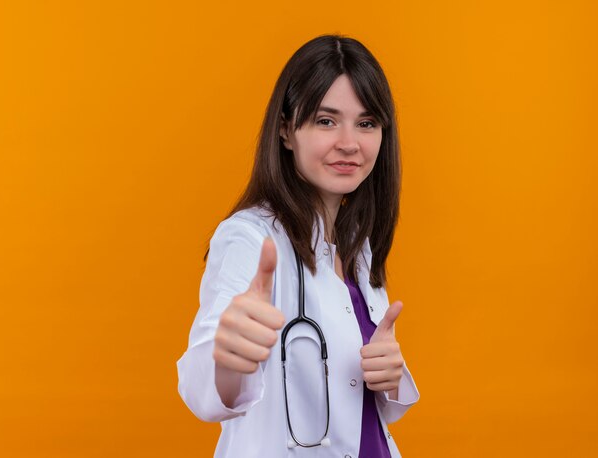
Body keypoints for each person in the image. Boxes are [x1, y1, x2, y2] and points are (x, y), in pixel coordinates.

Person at [177, 34, 420, 457]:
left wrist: (391, 375)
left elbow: (358, 404)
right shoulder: (251, 239)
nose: (349, 142)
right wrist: (228, 360)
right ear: (287, 130)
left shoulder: (357, 244)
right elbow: (205, 393)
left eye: (366, 123)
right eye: (326, 121)